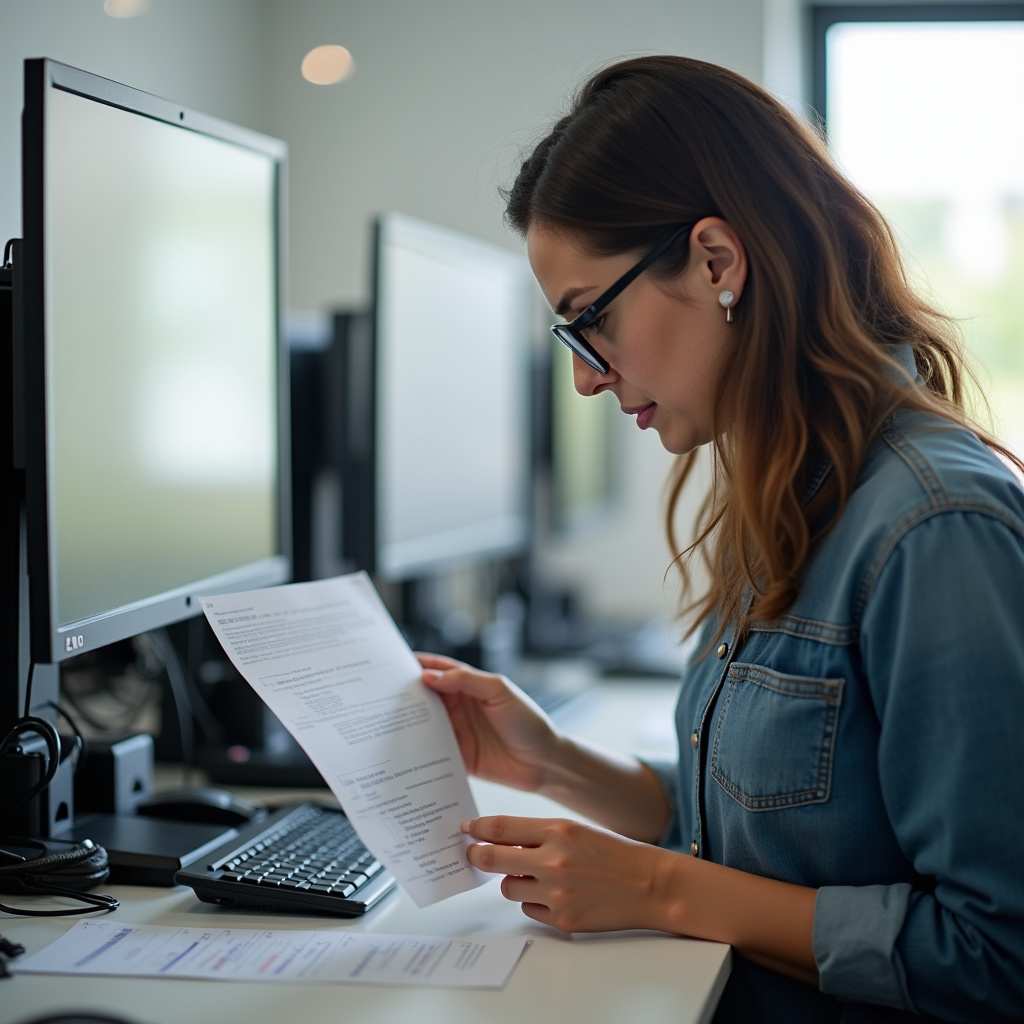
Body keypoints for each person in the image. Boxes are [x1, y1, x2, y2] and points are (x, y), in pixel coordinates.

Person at [419, 55, 1024, 1023]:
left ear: (715, 261)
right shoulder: (788, 489)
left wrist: (659, 890)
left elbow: (998, 954)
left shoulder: (932, 529)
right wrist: (556, 765)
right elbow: (780, 833)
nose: (584, 378)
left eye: (589, 323)